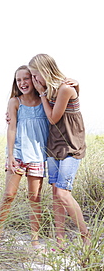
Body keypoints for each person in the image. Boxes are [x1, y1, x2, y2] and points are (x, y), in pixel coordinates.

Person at [28, 53, 90, 249]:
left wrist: (42, 94)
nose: (34, 80)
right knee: (56, 193)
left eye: (36, 75)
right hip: (53, 147)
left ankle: (86, 236)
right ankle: (60, 241)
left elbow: (53, 118)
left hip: (71, 147)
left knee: (63, 193)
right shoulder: (49, 90)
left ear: (45, 71)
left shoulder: (64, 89)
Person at [0, 65, 49, 248]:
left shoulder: (45, 100)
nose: (22, 83)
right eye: (19, 80)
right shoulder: (14, 102)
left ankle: (34, 238)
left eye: (26, 78)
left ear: (34, 79)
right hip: (18, 153)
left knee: (34, 197)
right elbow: (11, 128)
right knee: (9, 194)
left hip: (38, 155)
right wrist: (10, 155)